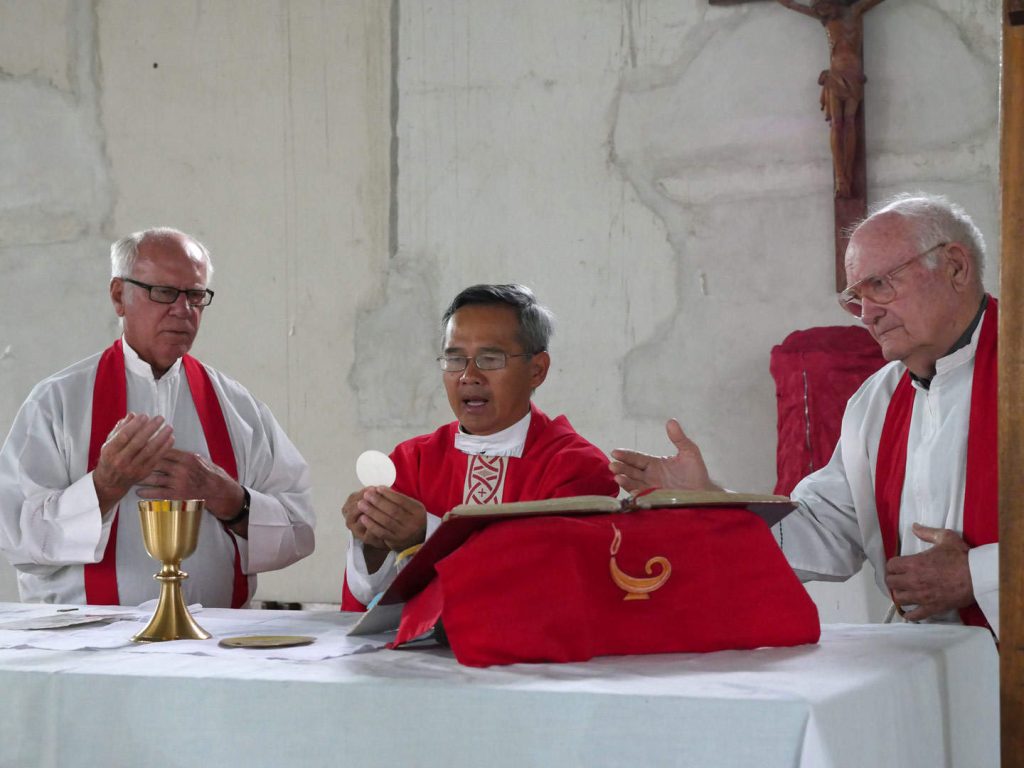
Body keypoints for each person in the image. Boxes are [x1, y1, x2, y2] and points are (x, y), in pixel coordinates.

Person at [610, 193, 999, 636]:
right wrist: (707, 498)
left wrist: (979, 575)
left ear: (955, 267)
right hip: (933, 665)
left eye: (881, 285)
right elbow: (822, 527)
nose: (868, 315)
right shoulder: (878, 401)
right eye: (857, 298)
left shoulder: (1014, 373)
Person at [0, 228, 315, 607]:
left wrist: (227, 496)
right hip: (88, 647)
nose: (183, 310)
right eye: (164, 292)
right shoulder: (58, 401)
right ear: (119, 296)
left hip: (215, 641)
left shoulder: (237, 406)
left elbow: (300, 530)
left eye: (195, 295)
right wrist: (103, 487)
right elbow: (15, 538)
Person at [342, 284, 619, 610]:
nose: (468, 376)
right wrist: (372, 543)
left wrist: (428, 536)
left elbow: (552, 584)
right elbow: (373, 606)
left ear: (537, 370)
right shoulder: (411, 461)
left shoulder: (576, 469)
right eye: (454, 359)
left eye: (490, 358)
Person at [776, 0, 887, 198]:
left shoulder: (854, 12)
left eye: (823, 6)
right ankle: (841, 177)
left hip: (853, 77)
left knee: (850, 123)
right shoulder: (826, 19)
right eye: (819, 9)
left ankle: (848, 175)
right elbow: (791, 5)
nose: (821, 11)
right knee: (837, 124)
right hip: (834, 78)